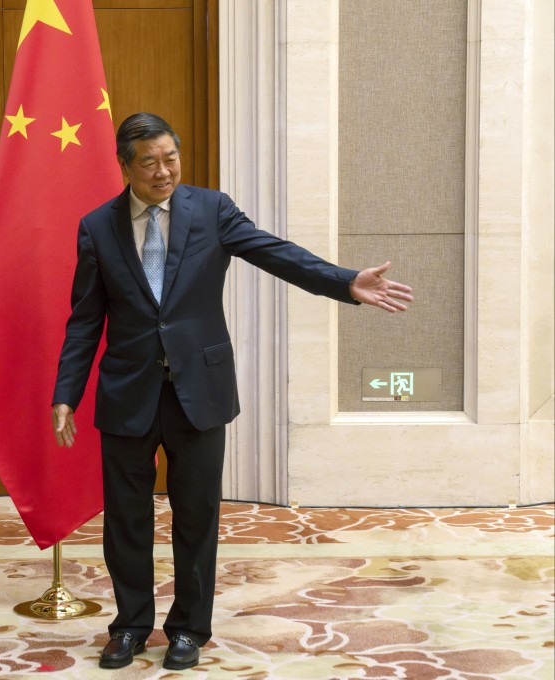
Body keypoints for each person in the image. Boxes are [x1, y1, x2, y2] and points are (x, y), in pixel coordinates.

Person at [51, 113, 414, 671]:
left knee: (196, 516)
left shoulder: (212, 210)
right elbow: (84, 319)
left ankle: (189, 630)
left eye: (170, 156)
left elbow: (276, 253)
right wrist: (66, 392)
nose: (163, 170)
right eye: (148, 161)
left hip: (199, 389)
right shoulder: (98, 226)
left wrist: (346, 281)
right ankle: (129, 627)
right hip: (128, 392)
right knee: (127, 519)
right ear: (125, 167)